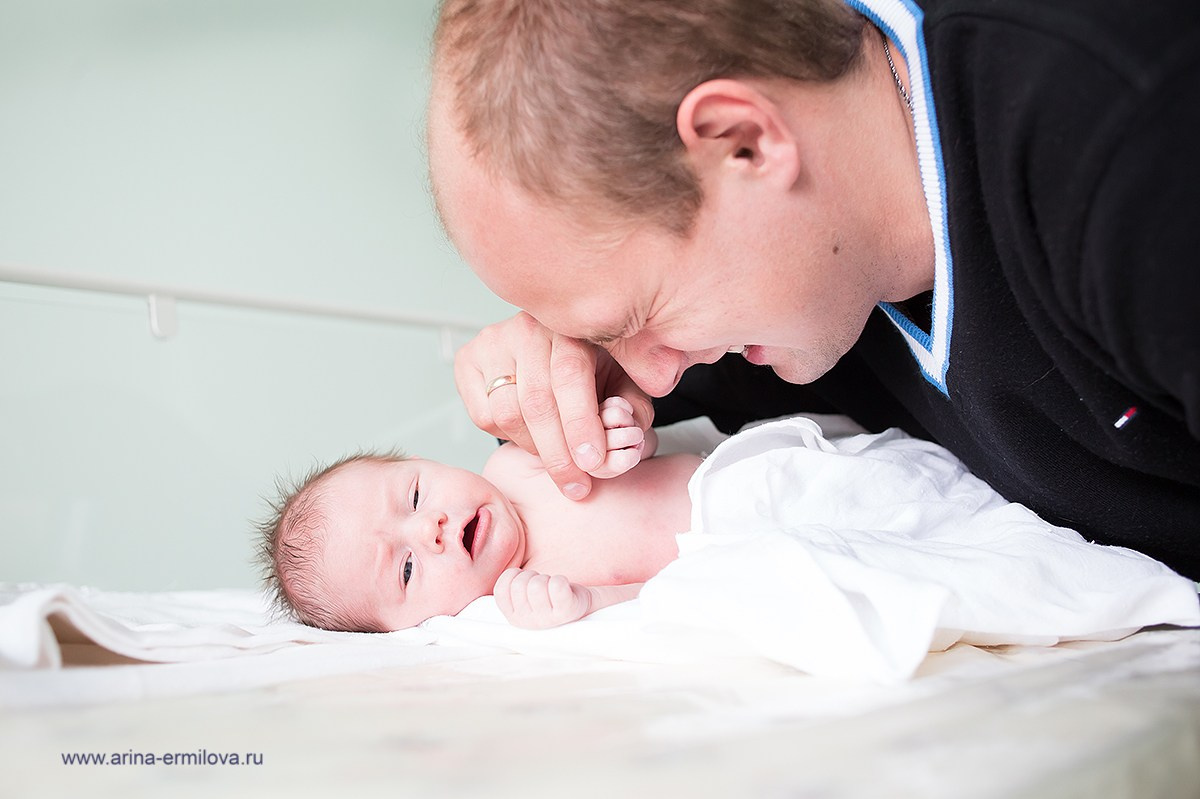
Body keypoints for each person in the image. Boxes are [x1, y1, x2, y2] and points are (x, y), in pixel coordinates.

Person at [426, 0, 1200, 580]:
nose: (660, 371)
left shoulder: (1135, 147)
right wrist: (553, 384)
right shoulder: (803, 279)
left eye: (640, 317)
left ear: (746, 143)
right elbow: (604, 457)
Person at [258, 398, 701, 632]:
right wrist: (588, 603)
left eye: (414, 497)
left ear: (428, 462)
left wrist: (613, 437)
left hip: (741, 474)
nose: (428, 528)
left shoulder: (514, 464)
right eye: (407, 569)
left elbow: (651, 443)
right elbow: (665, 600)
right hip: (744, 553)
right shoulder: (524, 599)